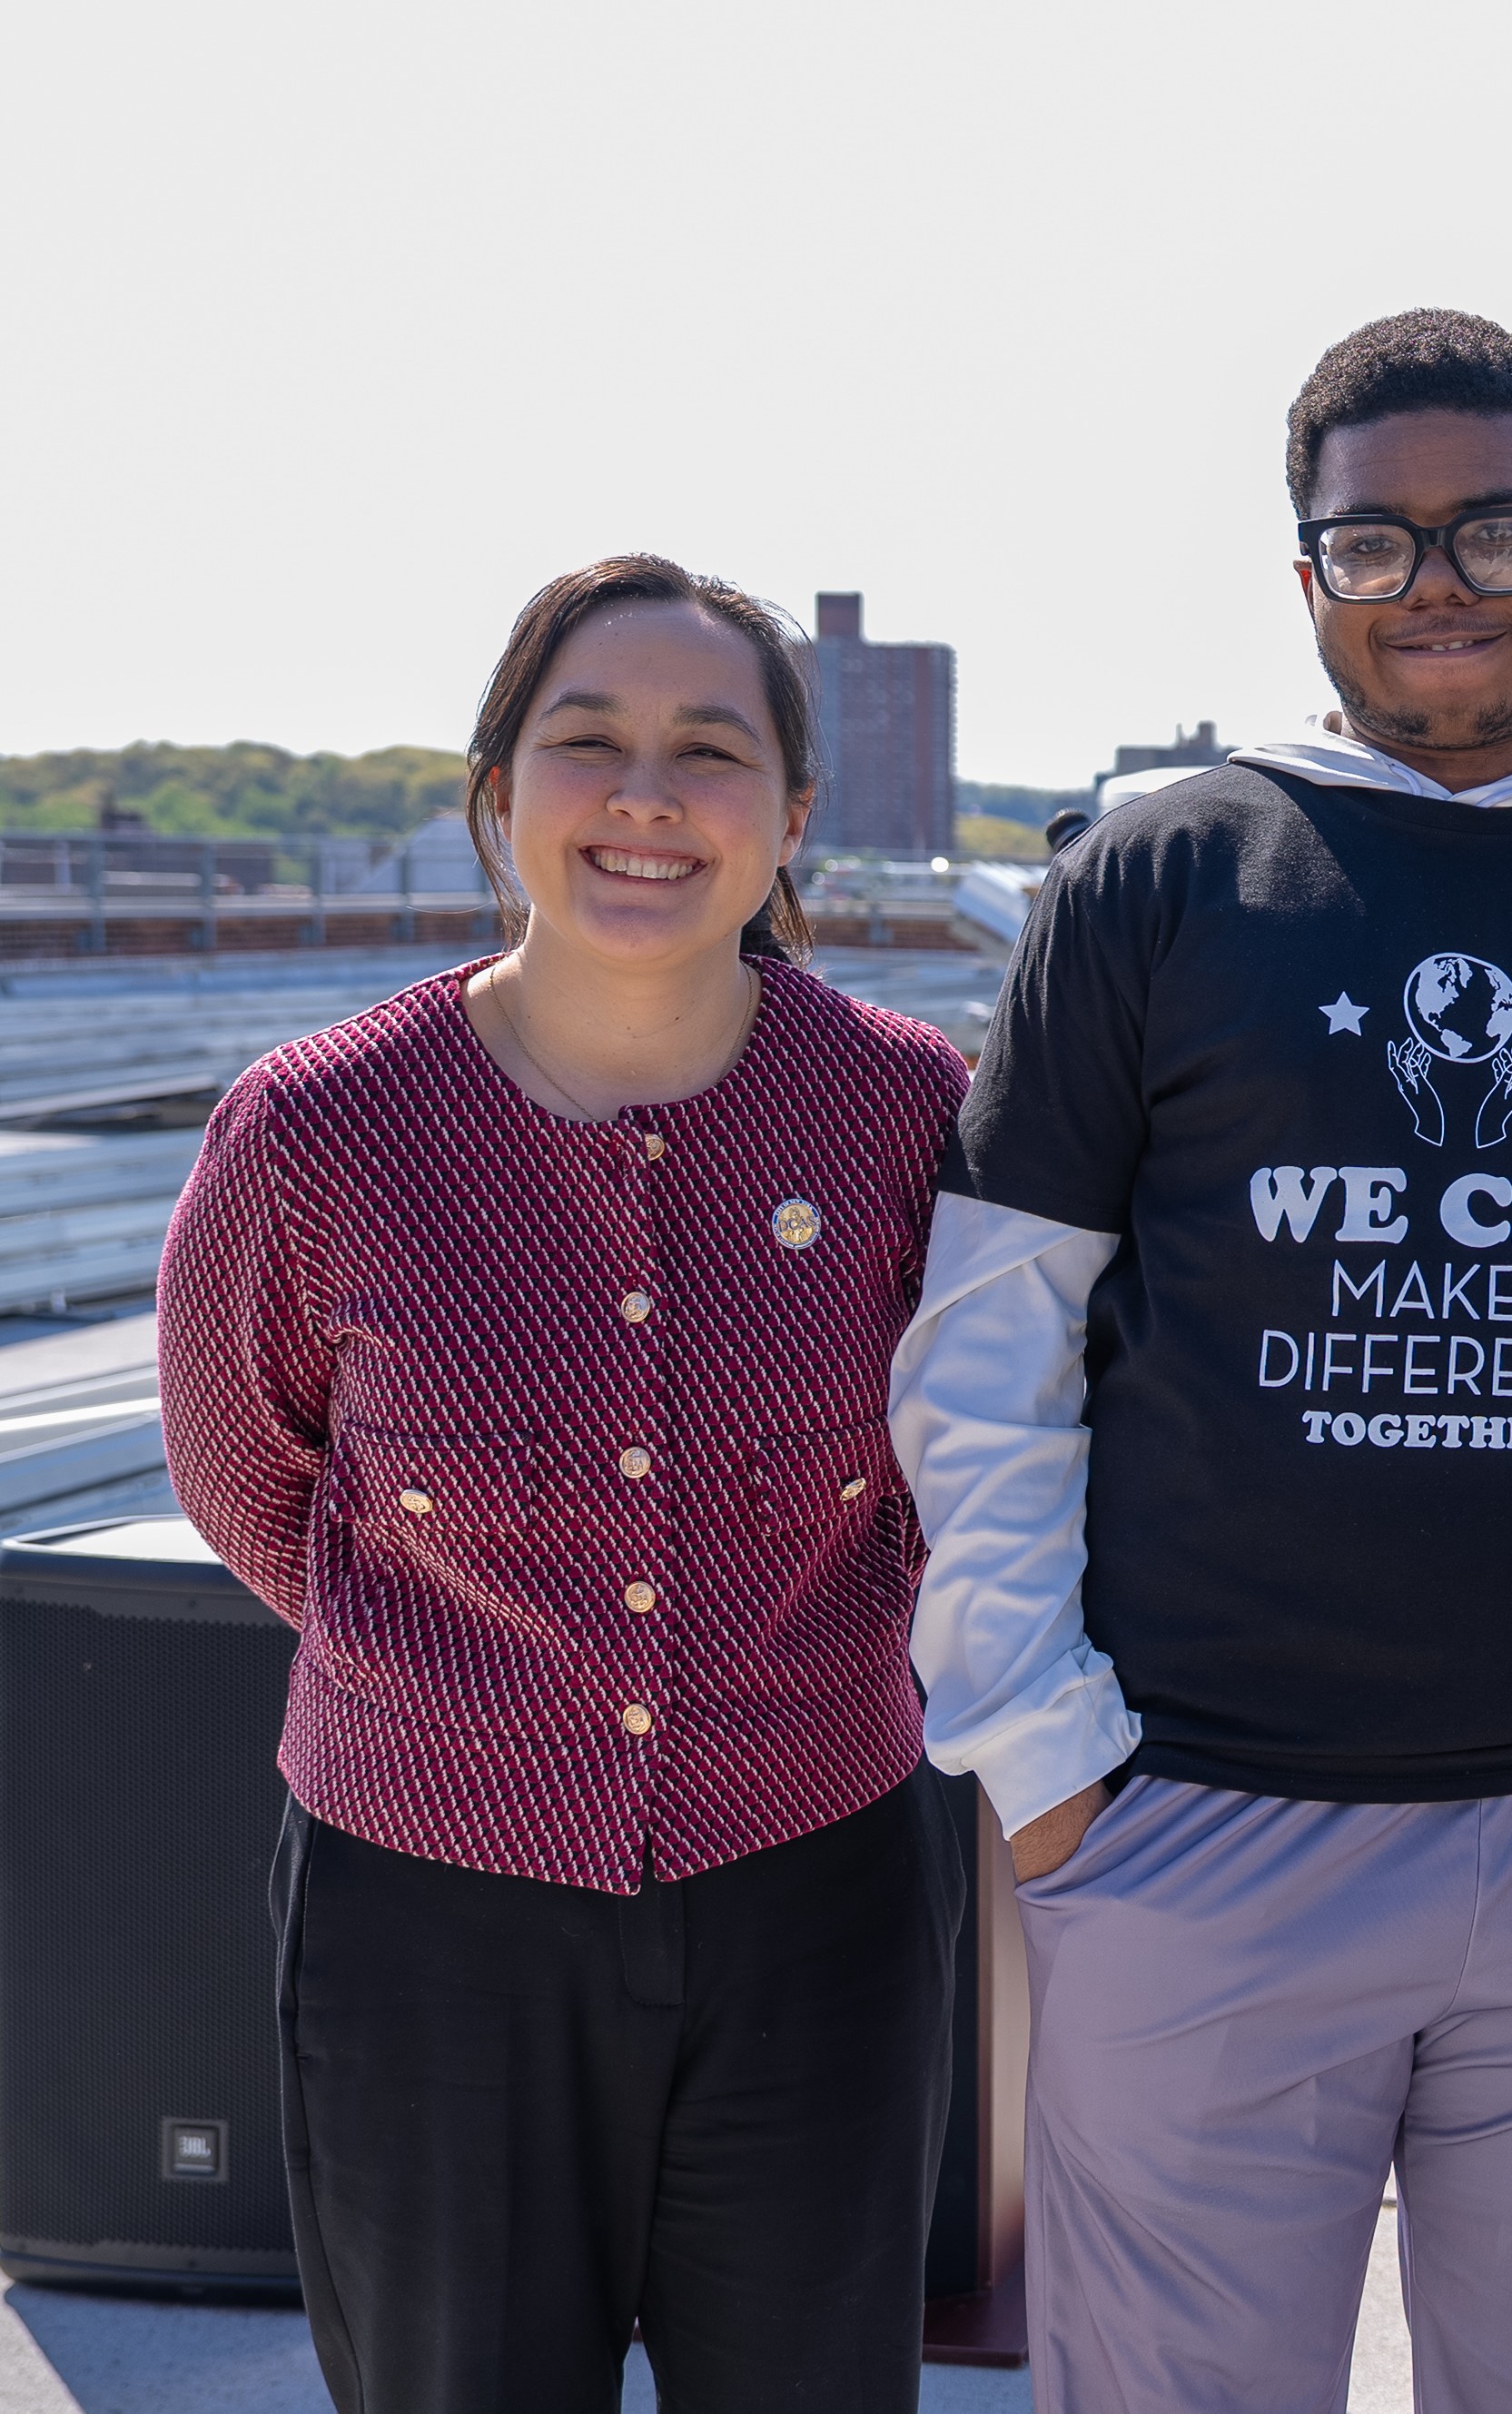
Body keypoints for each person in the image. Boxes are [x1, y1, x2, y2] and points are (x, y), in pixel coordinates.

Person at [892, 307, 1512, 2410]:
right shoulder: (1159, 874)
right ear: (1307, 580)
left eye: (1494, 532)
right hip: (1196, 1829)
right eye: (1376, 541)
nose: (1436, 582)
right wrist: (1042, 1762)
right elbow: (990, 1348)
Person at [158, 557, 971, 2411]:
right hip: (422, 1911)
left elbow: (971, 1453)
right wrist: (466, 1693)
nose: (646, 796)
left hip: (820, 1887)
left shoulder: (909, 1112)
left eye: (711, 749)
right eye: (587, 739)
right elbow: (243, 1475)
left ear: (792, 817)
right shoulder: (313, 1129)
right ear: (500, 784)